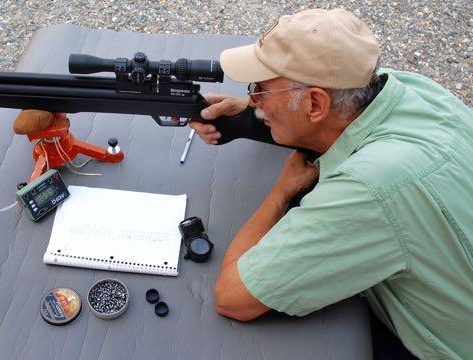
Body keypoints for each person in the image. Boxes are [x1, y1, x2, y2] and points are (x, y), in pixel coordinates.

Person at [188, 8, 472, 360]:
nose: (254, 98)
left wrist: (281, 192)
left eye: (260, 89)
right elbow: (333, 122)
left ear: (315, 103)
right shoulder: (410, 89)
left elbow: (234, 298)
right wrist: (251, 113)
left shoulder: (368, 188)